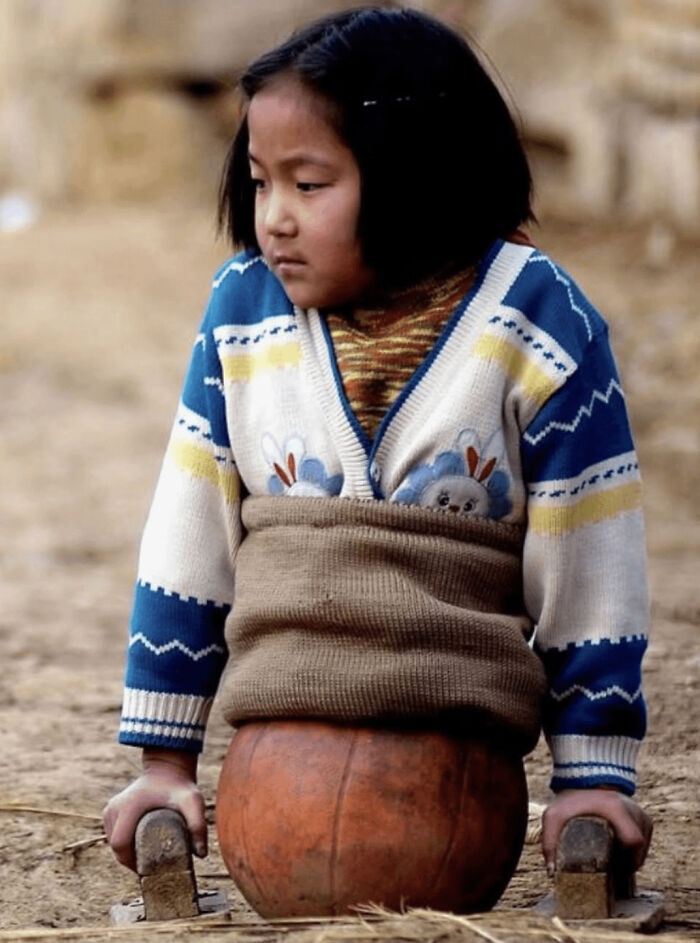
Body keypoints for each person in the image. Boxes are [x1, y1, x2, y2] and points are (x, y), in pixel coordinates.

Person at [103, 5, 652, 884]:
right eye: (259, 182)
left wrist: (593, 776)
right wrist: (162, 765)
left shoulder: (538, 319)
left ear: (417, 176)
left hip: (456, 765)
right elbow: (188, 534)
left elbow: (592, 554)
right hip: (275, 763)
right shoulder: (243, 314)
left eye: (309, 185)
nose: (273, 217)